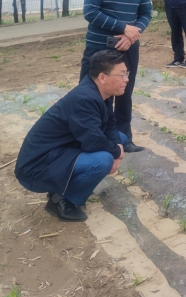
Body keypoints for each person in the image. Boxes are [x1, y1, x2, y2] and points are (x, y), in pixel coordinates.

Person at [16, 50, 129, 222]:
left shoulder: (100, 93)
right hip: (39, 164)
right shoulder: (85, 98)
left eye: (126, 73)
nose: (126, 79)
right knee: (103, 160)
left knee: (121, 138)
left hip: (64, 149)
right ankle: (61, 199)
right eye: (121, 75)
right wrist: (116, 152)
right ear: (102, 77)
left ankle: (70, 186)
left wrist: (117, 148)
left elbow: (111, 124)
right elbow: (92, 142)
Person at [79, 0, 151, 153]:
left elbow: (145, 13)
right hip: (98, 48)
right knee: (93, 93)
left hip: (128, 48)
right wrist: (123, 27)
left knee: (124, 92)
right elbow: (91, 12)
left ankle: (123, 139)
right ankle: (92, 141)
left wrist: (132, 34)